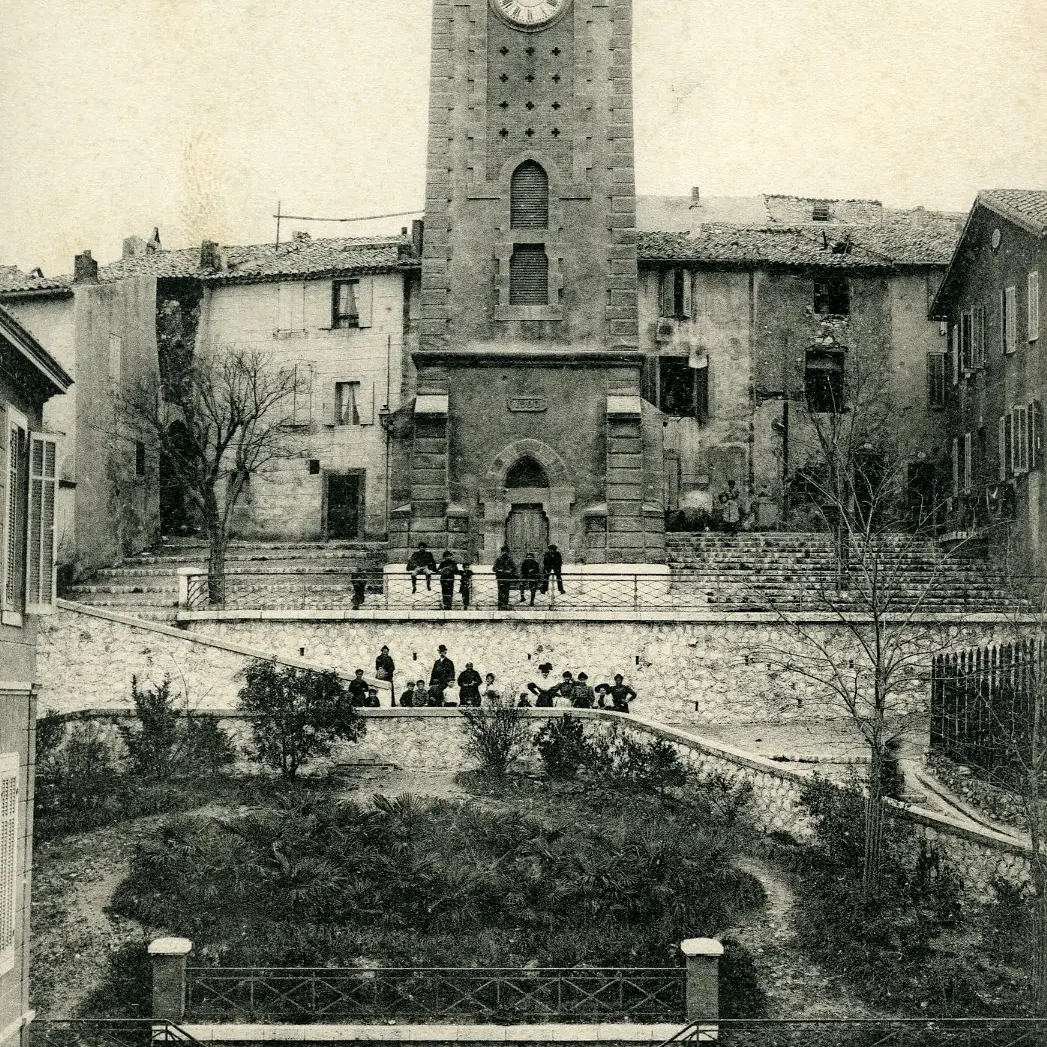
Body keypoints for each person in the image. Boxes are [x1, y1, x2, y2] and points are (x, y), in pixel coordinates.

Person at [493, 545, 517, 611]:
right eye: (503, 551)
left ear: (507, 552)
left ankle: (505, 604)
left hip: (507, 577)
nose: (504, 553)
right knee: (500, 591)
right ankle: (500, 605)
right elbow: (494, 568)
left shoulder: (510, 560)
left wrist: (510, 571)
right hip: (500, 578)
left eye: (506, 552)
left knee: (506, 591)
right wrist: (499, 570)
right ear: (501, 552)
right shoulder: (498, 559)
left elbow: (514, 568)